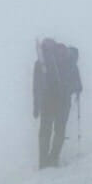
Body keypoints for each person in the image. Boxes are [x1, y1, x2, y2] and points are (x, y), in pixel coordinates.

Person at [33, 38, 82, 168]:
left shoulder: (40, 63)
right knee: (59, 130)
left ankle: (44, 161)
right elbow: (76, 79)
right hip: (63, 101)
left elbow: (36, 86)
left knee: (45, 131)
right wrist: (76, 89)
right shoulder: (68, 60)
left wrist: (36, 106)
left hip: (47, 101)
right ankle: (53, 159)